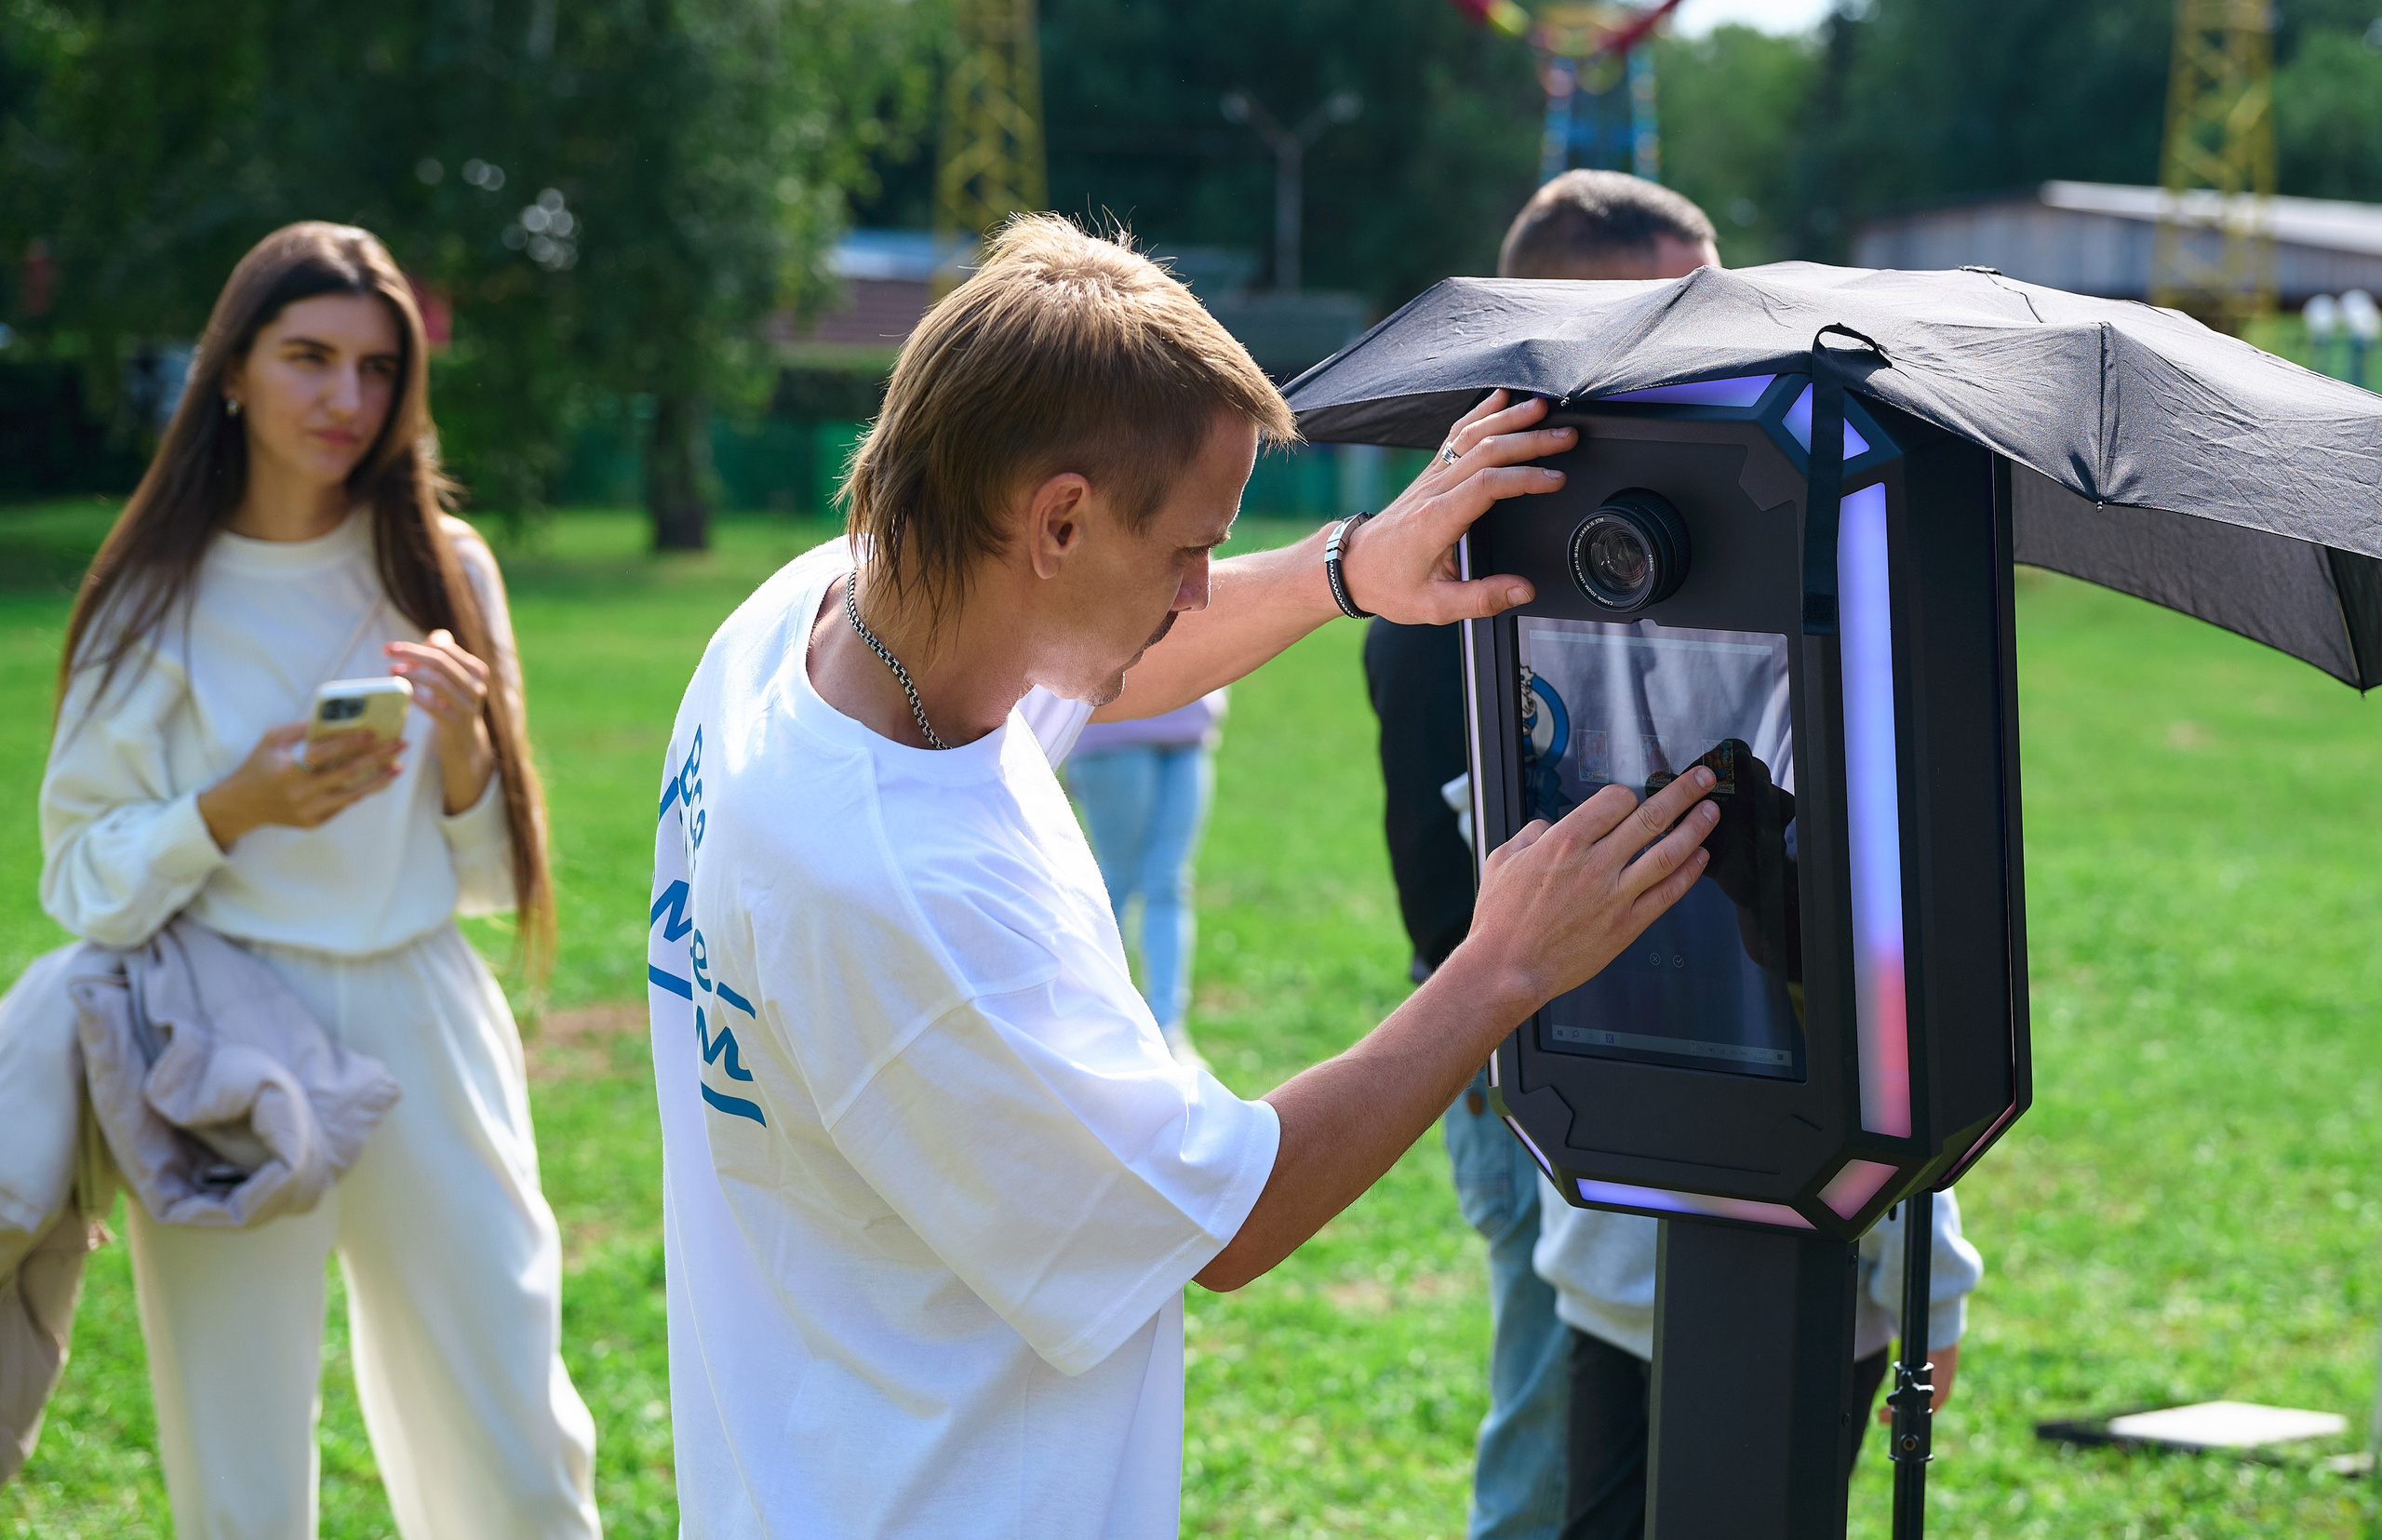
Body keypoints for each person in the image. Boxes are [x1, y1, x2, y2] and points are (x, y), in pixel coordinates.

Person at [644, 213, 1726, 1539]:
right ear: (1058, 518)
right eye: (1186, 551)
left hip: (812, 1459)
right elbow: (1233, 1213)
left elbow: (1084, 665)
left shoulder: (824, 618)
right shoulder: (904, 893)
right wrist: (1502, 961)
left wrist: (1346, 570)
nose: (1201, 588)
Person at [1359, 169, 1979, 1540]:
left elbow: (1876, 945)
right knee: (1557, 1450)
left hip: (1800, 1218)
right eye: (1677, 308)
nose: (1722, 340)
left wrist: (1932, 1256)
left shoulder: (1798, 559)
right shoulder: (1458, 591)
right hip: (1576, 1162)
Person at [40, 223, 600, 1539]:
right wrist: (230, 807)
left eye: (375, 367)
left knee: (513, 1435)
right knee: (238, 1473)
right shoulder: (152, 594)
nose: (345, 399)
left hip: (423, 1015)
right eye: (307, 357)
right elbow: (78, 873)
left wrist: (465, 748)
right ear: (229, 368)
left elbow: (487, 878)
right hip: (218, 1033)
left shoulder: (444, 568)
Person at [1065, 689, 1228, 1067]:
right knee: (1114, 885)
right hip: (1112, 732)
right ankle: (1099, 1026)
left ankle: (1169, 1033)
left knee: (1170, 884)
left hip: (1189, 727)